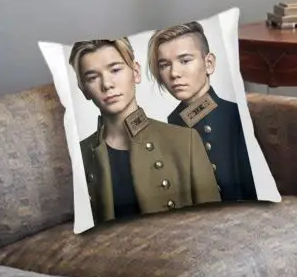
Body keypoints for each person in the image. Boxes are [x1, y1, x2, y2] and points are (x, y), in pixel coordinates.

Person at [68, 37, 221, 225]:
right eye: (92, 77)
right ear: (84, 89)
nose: (107, 84)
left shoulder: (185, 141)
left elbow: (215, 224)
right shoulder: (78, 157)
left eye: (115, 70)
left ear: (136, 72)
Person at [147, 21, 258, 202]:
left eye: (185, 61)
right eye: (165, 65)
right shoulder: (171, 124)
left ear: (209, 63)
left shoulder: (237, 116)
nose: (174, 73)